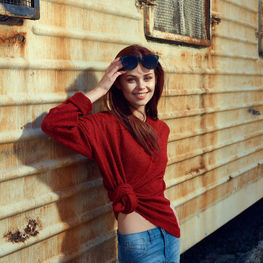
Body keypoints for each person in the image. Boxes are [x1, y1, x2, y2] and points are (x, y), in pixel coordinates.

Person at [41, 44, 181, 263]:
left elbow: (156, 183)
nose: (141, 86)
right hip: (139, 240)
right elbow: (54, 123)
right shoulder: (105, 125)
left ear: (156, 80)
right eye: (131, 79)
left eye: (147, 78)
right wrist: (100, 89)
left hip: (171, 230)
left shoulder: (160, 128)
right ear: (119, 85)